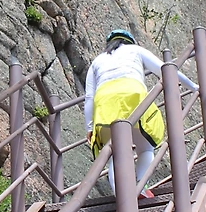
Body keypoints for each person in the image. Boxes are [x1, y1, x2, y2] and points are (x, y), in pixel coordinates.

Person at [83, 29, 195, 195]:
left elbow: (89, 98)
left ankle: (120, 196)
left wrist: (89, 128)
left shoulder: (97, 61)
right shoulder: (135, 50)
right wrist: (193, 86)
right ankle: (140, 186)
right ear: (129, 41)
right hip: (133, 97)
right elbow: (166, 70)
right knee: (146, 148)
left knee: (115, 152)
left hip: (105, 105)